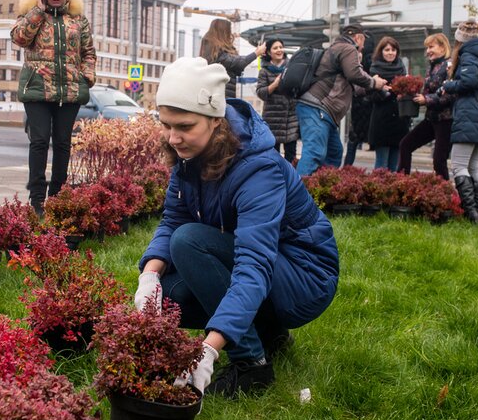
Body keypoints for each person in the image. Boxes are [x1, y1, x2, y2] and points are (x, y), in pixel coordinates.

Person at [133, 57, 339, 398]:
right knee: (170, 294)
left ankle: (251, 365)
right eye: (166, 125)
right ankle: (268, 331)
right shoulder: (188, 159)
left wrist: (208, 350)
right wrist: (150, 275)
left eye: (184, 126)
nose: (173, 137)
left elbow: (253, 263)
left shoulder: (258, 170)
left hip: (305, 277)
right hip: (273, 269)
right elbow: (174, 218)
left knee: (189, 244)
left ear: (216, 120)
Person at [11, 0, 97, 216]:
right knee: (38, 142)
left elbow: (88, 52)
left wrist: (87, 76)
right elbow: (19, 38)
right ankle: (36, 200)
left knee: (62, 144)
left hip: (69, 92)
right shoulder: (30, 12)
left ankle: (57, 198)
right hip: (37, 90)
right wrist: (38, 10)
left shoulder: (78, 20)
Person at [296, 23, 387, 176]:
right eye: (363, 42)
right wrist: (373, 82)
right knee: (314, 153)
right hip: (317, 107)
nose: (362, 48)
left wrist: (374, 86)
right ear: (358, 38)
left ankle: (319, 189)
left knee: (334, 152)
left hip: (324, 112)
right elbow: (354, 75)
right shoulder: (348, 48)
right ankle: (295, 196)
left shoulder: (337, 48)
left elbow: (353, 86)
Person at [441, 20, 478, 223]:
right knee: (474, 165)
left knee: (458, 165)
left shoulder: (469, 55)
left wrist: (449, 85)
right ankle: (477, 211)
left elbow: (469, 81)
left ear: (459, 39)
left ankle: (471, 212)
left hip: (469, 115)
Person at [397, 33, 454, 179]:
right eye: (426, 48)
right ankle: (401, 182)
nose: (428, 51)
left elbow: (450, 94)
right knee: (405, 145)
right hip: (432, 118)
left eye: (431, 47)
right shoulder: (433, 67)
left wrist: (427, 99)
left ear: (442, 48)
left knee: (439, 161)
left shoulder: (449, 66)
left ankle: (444, 195)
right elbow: (428, 90)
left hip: (445, 120)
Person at [367, 36, 411, 171]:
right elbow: (370, 97)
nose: (390, 52)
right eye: (387, 50)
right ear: (381, 52)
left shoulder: (402, 69)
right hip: (382, 121)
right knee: (381, 164)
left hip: (400, 121)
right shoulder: (374, 70)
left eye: (393, 49)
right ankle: (377, 192)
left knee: (394, 166)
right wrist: (382, 90)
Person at [255, 38, 299, 164]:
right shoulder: (264, 71)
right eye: (275, 48)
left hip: (290, 120)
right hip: (272, 121)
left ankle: (291, 182)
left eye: (281, 47)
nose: (279, 50)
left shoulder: (292, 67)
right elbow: (260, 93)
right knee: (273, 158)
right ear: (269, 52)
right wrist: (274, 84)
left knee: (291, 157)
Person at [199, 19, 266, 99]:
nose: (230, 34)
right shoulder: (215, 51)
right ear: (223, 32)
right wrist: (256, 53)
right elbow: (238, 63)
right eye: (228, 31)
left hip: (221, 97)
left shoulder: (212, 49)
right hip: (220, 98)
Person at [343, 31, 375, 166]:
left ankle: (346, 168)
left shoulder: (358, 57)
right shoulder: (373, 60)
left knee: (353, 140)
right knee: (357, 139)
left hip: (359, 103)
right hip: (369, 103)